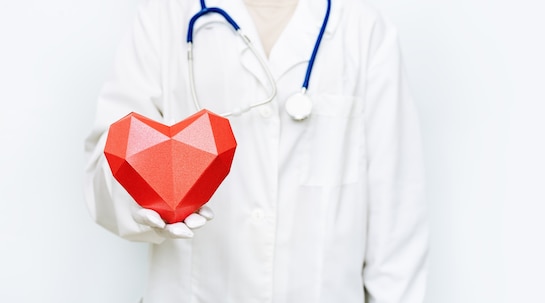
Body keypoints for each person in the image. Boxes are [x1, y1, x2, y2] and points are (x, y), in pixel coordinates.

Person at [84, 0, 428, 302]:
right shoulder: (164, 16)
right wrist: (147, 197)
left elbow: (397, 220)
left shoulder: (364, 30)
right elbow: (105, 169)